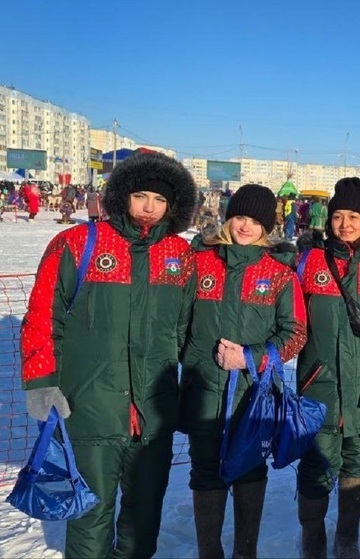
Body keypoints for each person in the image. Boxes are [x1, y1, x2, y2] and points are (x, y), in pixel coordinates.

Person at [20, 152, 198, 558]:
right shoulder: (76, 244)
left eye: (159, 199)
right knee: (90, 517)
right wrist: (42, 382)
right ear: (123, 196)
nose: (149, 207)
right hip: (90, 407)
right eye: (141, 195)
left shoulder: (179, 257)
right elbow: (43, 318)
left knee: (143, 515)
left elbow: (189, 333)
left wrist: (193, 395)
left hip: (154, 413)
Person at [179, 184, 307, 559]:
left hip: (252, 395)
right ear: (227, 217)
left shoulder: (279, 274)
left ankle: (244, 553)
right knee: (205, 471)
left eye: (254, 220)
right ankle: (209, 553)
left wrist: (251, 358)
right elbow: (175, 322)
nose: (245, 226)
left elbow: (295, 333)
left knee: (249, 471)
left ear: (266, 226)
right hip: (203, 389)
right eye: (239, 217)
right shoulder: (200, 262)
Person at [295, 177, 360, 559]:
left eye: (353, 216)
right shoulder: (308, 262)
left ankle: (347, 539)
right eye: (338, 216)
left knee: (358, 461)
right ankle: (313, 541)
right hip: (317, 386)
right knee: (314, 467)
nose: (345, 224)